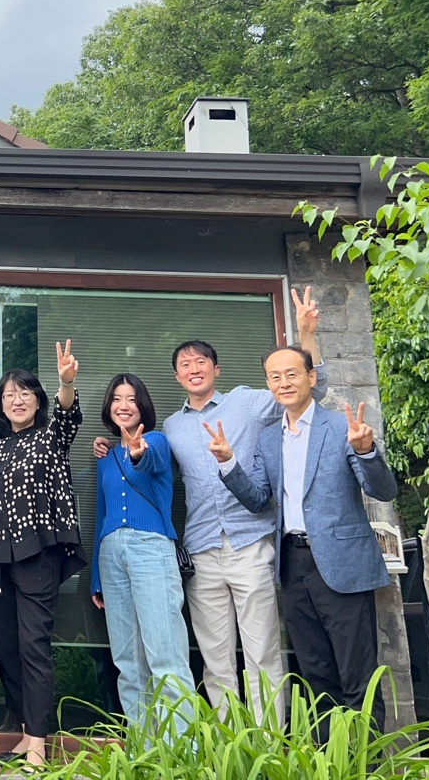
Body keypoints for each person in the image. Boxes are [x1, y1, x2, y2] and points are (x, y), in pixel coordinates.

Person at [94, 286, 326, 726]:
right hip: (202, 549)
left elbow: (307, 391)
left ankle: (268, 744)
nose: (194, 369)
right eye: (185, 365)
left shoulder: (247, 401)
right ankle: (225, 748)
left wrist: (307, 337)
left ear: (216, 369)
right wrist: (116, 449)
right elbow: (149, 460)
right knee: (216, 661)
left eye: (201, 361)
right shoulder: (172, 427)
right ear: (177, 377)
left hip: (250, 541)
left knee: (261, 654)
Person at [206, 344, 398, 717]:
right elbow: (258, 499)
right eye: (275, 377)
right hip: (294, 564)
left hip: (343, 565)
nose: (284, 383)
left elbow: (384, 490)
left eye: (292, 374)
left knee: (357, 673)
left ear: (311, 377)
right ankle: (327, 750)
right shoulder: (267, 438)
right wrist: (228, 463)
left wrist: (366, 452)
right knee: (316, 674)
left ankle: (365, 753)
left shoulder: (341, 427)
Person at [0, 343, 85, 768]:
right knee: (6, 647)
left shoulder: (50, 437)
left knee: (34, 645)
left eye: (25, 393)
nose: (17, 400)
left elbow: (68, 417)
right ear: (0, 405)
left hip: (37, 555)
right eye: (9, 395)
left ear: (38, 400)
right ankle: (24, 731)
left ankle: (38, 743)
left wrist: (66, 383)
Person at [89, 374, 193, 732]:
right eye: (117, 399)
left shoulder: (158, 441)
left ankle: (182, 749)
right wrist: (96, 578)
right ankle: (143, 747)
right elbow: (101, 515)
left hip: (151, 548)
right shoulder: (105, 456)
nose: (123, 406)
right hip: (111, 555)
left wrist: (138, 452)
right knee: (128, 662)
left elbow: (150, 460)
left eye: (131, 399)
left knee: (166, 655)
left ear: (143, 405)